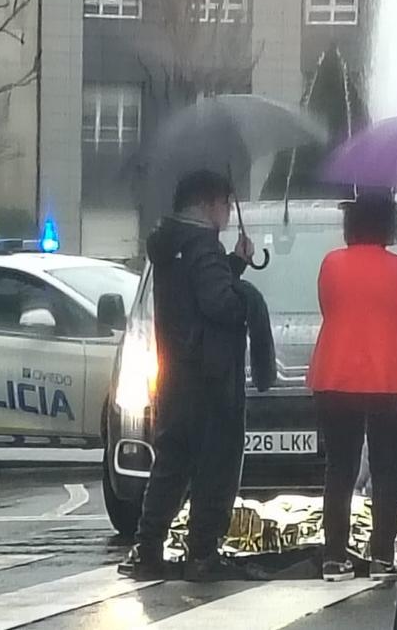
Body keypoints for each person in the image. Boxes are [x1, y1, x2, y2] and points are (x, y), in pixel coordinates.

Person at [117, 170, 254, 582]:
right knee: (215, 467)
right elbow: (217, 303)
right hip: (211, 377)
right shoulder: (203, 245)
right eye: (225, 204)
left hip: (177, 373)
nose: (227, 212)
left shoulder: (169, 244)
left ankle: (148, 548)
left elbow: (192, 293)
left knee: (172, 464)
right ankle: (202, 554)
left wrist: (234, 264)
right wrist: (246, 301)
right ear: (208, 204)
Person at [307, 194, 397, 583]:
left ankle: (335, 556)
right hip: (390, 375)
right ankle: (382, 554)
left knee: (340, 467)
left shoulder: (331, 264)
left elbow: (328, 307)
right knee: (387, 469)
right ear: (389, 225)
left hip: (335, 373)